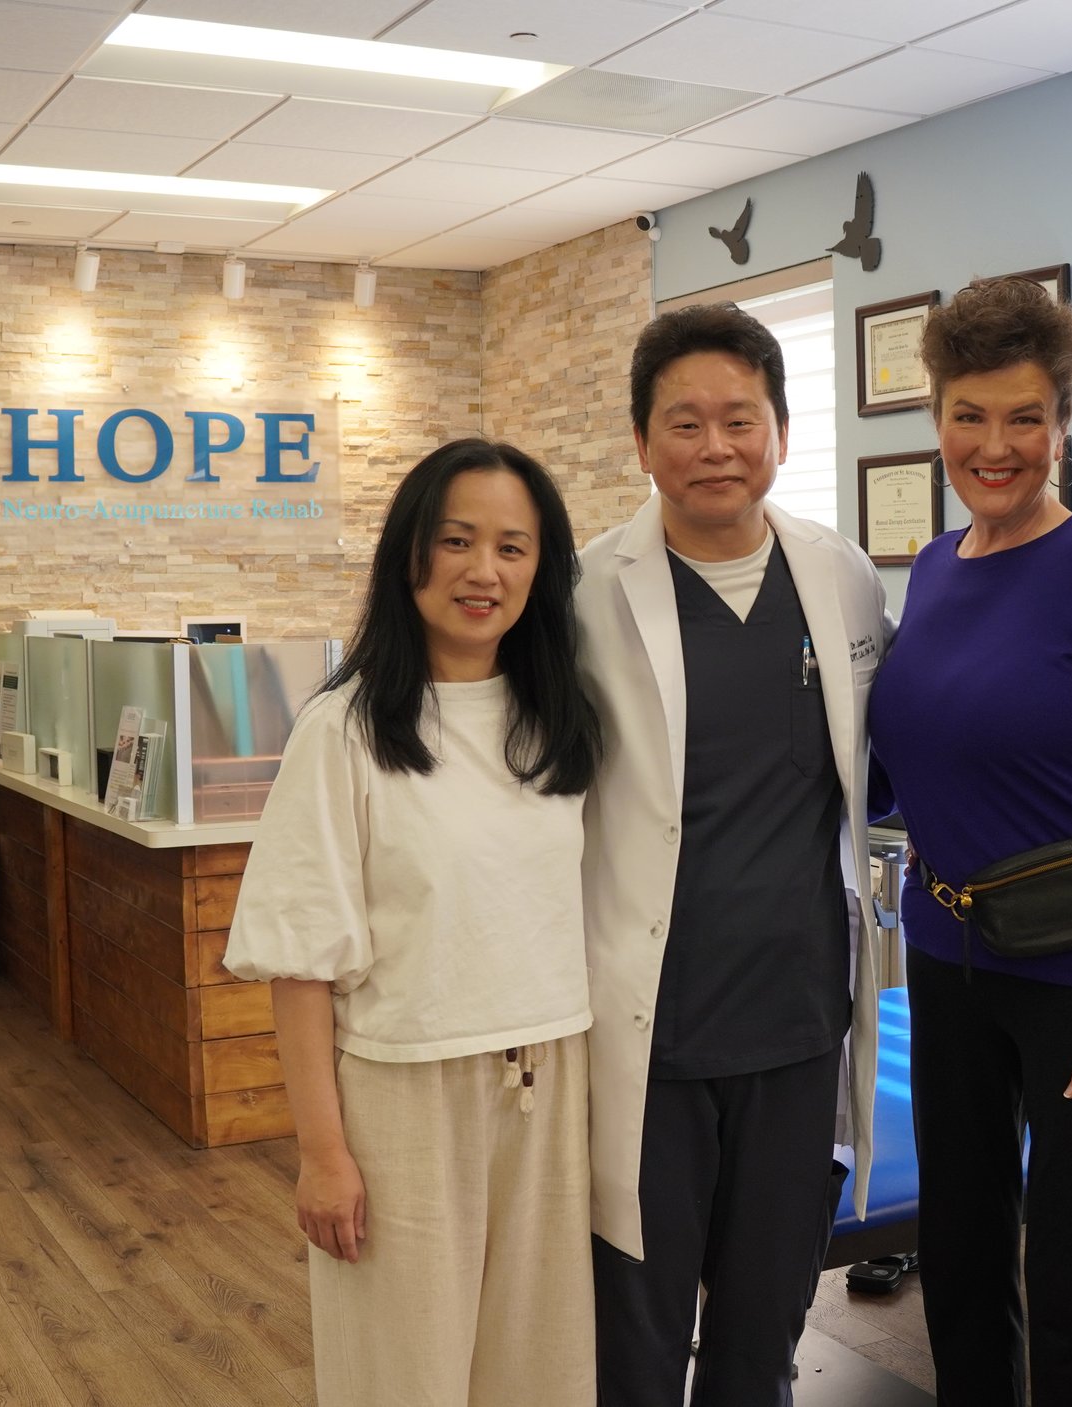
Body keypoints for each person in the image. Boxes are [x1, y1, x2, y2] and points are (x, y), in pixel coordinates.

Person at [866, 277, 1072, 1407]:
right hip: (944, 961)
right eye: (969, 415)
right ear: (937, 419)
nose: (994, 445)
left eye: (1024, 418)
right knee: (958, 1256)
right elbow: (908, 765)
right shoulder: (933, 568)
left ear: (1062, 424)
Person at [224, 438, 605, 1407]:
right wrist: (322, 1154)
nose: (484, 571)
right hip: (404, 1095)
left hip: (550, 1080)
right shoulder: (343, 731)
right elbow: (300, 964)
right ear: (410, 555)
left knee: (543, 1376)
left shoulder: (559, 719)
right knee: (402, 1379)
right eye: (457, 540)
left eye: (513, 548)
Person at [579, 302, 892, 1405]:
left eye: (740, 420)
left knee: (764, 1339)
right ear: (641, 441)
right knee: (636, 1340)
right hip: (651, 1032)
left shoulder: (840, 576)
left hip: (798, 1025)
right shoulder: (583, 594)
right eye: (685, 423)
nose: (715, 447)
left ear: (782, 434)